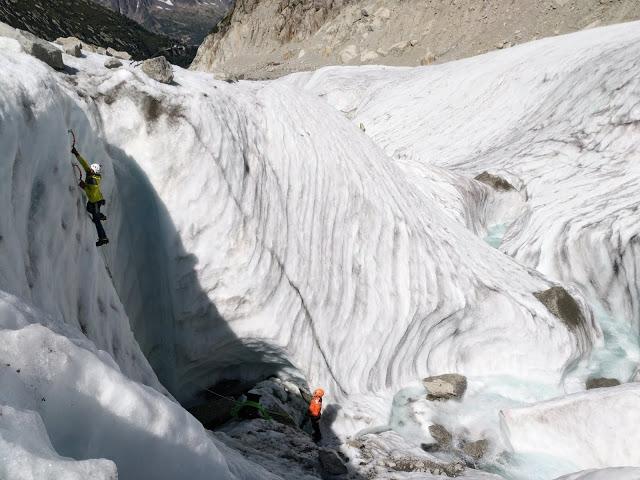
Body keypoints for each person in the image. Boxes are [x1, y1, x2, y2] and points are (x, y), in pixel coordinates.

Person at [72, 146, 109, 247]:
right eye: (91, 169)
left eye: (92, 169)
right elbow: (84, 164)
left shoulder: (93, 180)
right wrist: (76, 154)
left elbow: (91, 194)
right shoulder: (90, 173)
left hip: (95, 200)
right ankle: (100, 215)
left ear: (94, 171)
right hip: (95, 200)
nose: (90, 170)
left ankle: (103, 238)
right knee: (89, 208)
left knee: (96, 221)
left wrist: (84, 186)